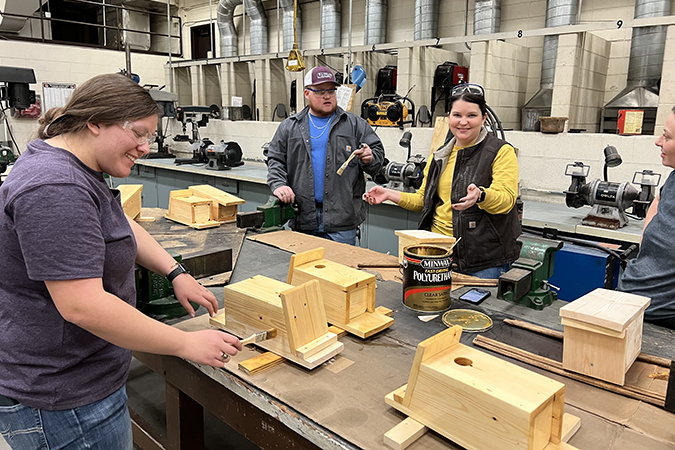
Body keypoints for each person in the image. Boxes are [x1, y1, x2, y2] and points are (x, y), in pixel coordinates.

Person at [0, 74, 243, 450]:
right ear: (95, 122)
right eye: (139, 134)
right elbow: (83, 306)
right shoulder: (55, 187)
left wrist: (174, 271)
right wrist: (182, 343)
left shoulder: (75, 165)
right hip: (63, 398)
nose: (146, 148)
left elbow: (118, 222)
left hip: (81, 380)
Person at [364, 88, 521, 278]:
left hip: (481, 259)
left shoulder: (500, 151)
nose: (463, 122)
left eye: (471, 115)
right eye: (457, 115)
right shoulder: (440, 155)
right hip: (438, 251)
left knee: (474, 307)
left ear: (484, 118)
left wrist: (481, 195)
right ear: (449, 117)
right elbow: (423, 200)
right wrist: (389, 194)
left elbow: (506, 201)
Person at [267, 66, 385, 246]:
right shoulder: (290, 127)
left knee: (341, 272)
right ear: (307, 93)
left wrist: (370, 158)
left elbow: (377, 154)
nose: (327, 96)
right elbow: (275, 159)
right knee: (304, 271)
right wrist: (279, 184)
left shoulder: (354, 124)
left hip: (342, 222)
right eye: (320, 91)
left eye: (331, 90)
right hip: (303, 218)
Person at [618, 106, 675, 329]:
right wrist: (645, 238)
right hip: (632, 302)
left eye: (667, 137)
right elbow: (659, 199)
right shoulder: (673, 178)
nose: (658, 141)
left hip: (664, 322)